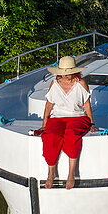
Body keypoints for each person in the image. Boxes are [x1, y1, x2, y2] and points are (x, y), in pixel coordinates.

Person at [41, 55, 94, 189]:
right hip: (57, 117)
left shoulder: (81, 83)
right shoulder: (54, 84)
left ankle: (71, 173)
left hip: (78, 116)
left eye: (68, 72)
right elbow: (48, 105)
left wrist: (92, 123)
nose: (65, 76)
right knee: (50, 135)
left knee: (72, 134)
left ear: (74, 71)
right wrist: (44, 124)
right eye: (63, 73)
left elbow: (87, 105)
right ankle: (51, 172)